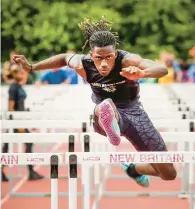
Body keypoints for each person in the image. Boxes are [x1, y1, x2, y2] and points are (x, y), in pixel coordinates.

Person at [13, 17, 177, 187]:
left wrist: (142, 74)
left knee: (168, 174)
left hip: (135, 114)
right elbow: (63, 58)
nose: (104, 63)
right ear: (91, 55)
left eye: (109, 57)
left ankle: (133, 170)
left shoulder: (127, 60)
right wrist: (31, 67)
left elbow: (162, 69)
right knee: (105, 106)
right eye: (99, 58)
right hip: (103, 117)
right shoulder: (83, 63)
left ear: (116, 53)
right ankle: (108, 116)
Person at [2, 64, 44, 181]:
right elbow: (10, 107)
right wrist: (16, 124)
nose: (23, 74)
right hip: (15, 121)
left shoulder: (18, 86)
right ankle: (30, 172)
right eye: (20, 72)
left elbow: (24, 79)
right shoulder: (13, 88)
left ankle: (30, 172)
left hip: (20, 120)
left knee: (8, 146)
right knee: (9, 146)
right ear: (16, 75)